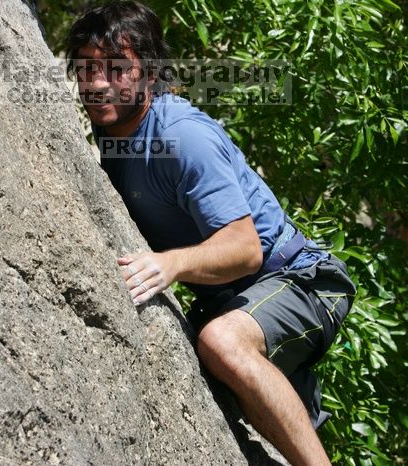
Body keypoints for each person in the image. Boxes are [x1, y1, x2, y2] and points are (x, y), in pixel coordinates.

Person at [66, 2, 356, 465]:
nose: (99, 83)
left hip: (299, 280)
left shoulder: (182, 138)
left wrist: (172, 263)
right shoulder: (114, 129)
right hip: (234, 298)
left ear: (149, 72)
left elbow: (245, 249)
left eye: (118, 69)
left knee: (222, 343)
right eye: (88, 68)